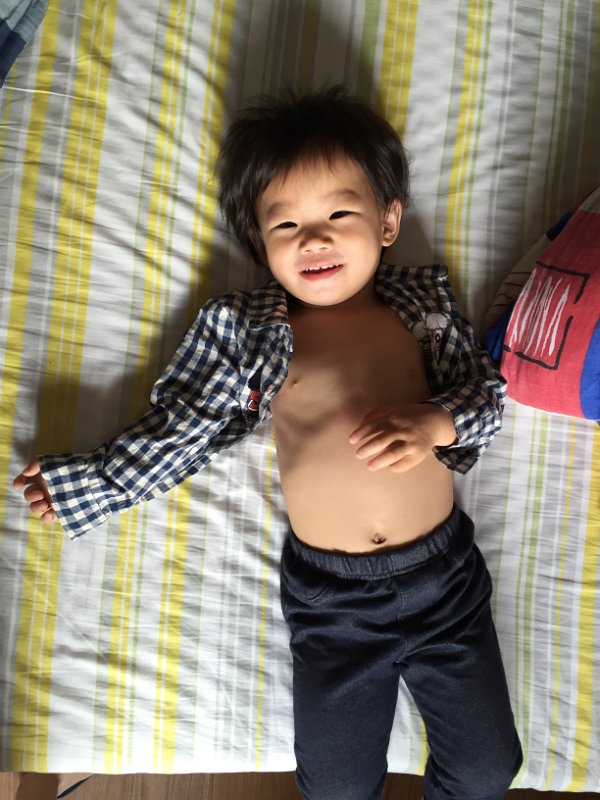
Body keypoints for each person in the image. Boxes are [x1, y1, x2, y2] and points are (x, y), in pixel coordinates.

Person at [14, 86, 522, 800]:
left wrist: (433, 423)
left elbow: (486, 395)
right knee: (336, 787)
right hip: (332, 602)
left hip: (444, 580)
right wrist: (91, 482)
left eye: (339, 214)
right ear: (259, 242)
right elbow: (184, 427)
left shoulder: (420, 305)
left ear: (387, 221)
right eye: (286, 224)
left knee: (488, 769)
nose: (313, 239)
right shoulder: (251, 328)